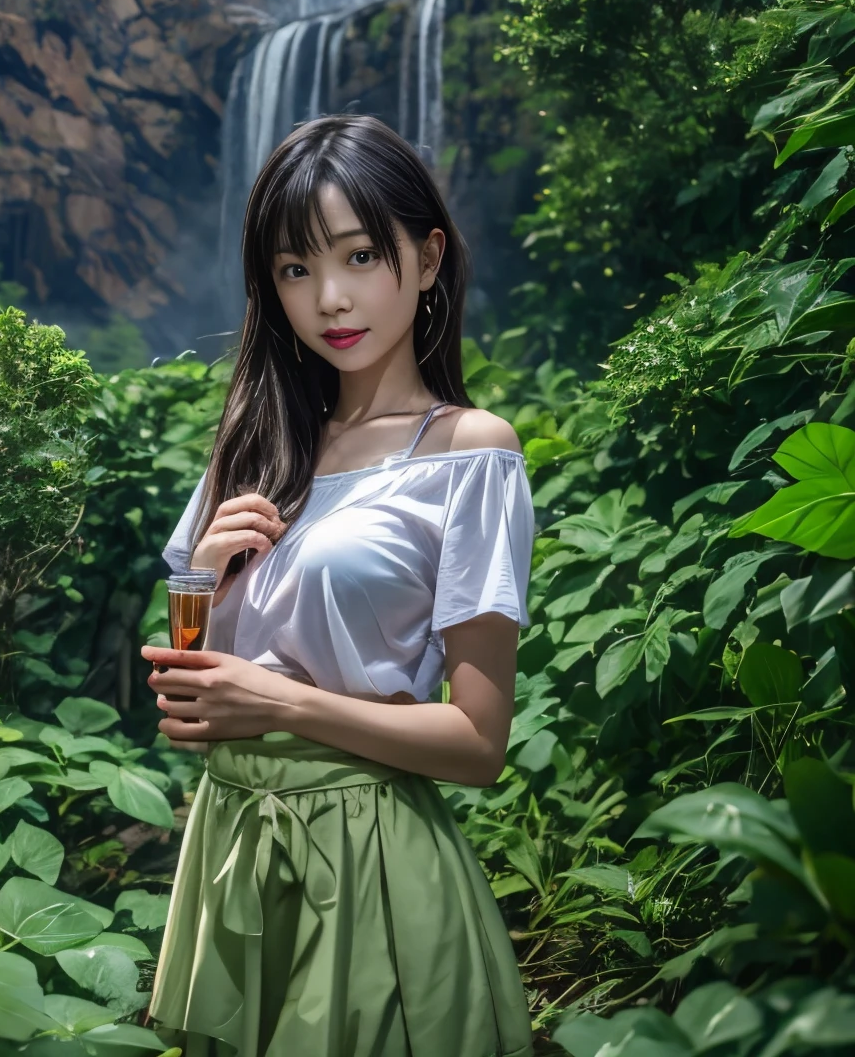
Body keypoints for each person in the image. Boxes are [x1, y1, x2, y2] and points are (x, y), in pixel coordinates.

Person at [141, 114, 534, 1057]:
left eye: (360, 256)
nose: (329, 298)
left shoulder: (467, 454)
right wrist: (203, 578)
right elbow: (190, 695)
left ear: (428, 257)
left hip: (369, 859)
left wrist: (278, 699)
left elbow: (478, 743)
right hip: (233, 843)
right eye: (293, 269)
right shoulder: (252, 449)